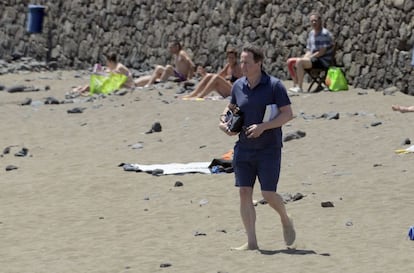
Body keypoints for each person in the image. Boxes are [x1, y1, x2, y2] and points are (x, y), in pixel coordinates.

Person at [219, 44, 296, 250]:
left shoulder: (274, 86)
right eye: (241, 61)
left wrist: (264, 127)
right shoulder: (238, 86)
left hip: (268, 149)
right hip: (243, 148)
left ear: (259, 63)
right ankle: (252, 242)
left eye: (246, 62)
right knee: (244, 192)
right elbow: (231, 107)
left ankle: (285, 218)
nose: (242, 65)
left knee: (268, 194)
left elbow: (287, 114)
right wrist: (224, 121)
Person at [286, 12, 334, 93]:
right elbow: (309, 50)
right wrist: (305, 57)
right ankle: (295, 84)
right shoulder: (311, 33)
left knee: (300, 62)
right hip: (313, 59)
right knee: (290, 62)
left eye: (315, 20)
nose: (313, 23)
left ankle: (300, 88)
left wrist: (308, 58)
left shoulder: (324, 34)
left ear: (320, 21)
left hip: (322, 60)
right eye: (312, 21)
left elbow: (322, 52)